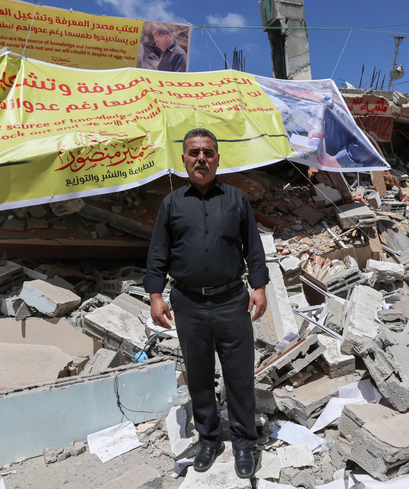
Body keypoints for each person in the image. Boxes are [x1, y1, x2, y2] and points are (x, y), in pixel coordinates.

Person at [145, 128, 268, 479]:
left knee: (240, 375)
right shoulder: (171, 204)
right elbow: (157, 254)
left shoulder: (236, 200)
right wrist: (156, 296)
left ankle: (245, 442)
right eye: (194, 152)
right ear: (183, 159)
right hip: (188, 304)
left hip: (232, 301)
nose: (201, 158)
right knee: (199, 376)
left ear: (217, 158)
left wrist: (258, 287)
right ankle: (209, 440)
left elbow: (253, 248)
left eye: (208, 153)